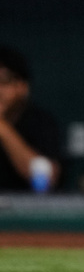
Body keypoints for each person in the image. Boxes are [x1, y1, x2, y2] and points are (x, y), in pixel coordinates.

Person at [0, 46, 62, 191]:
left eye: (3, 81)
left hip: (29, 209)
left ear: (23, 87)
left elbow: (49, 178)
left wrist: (2, 127)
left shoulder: (40, 121)